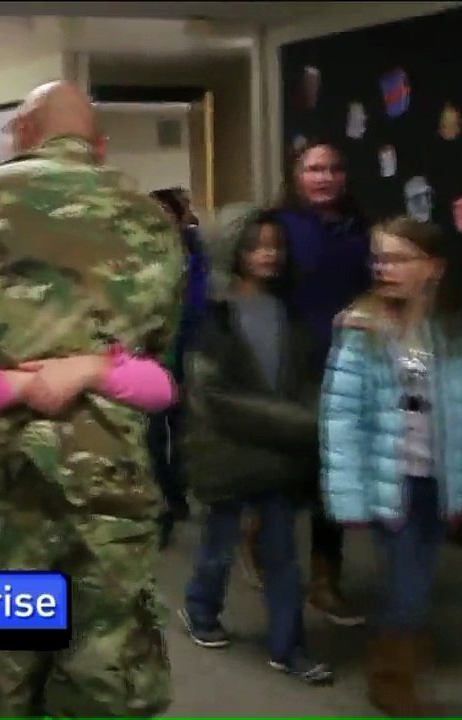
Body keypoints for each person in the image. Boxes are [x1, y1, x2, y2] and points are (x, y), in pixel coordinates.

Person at [0, 80, 185, 717]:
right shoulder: (151, 216)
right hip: (107, 487)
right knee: (104, 681)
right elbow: (158, 351)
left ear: (20, 134)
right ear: (97, 145)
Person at [320, 216, 462, 715]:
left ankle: (406, 652)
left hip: (439, 480)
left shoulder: (461, 335)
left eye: (398, 258)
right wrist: (348, 495)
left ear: (433, 267)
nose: (385, 269)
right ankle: (391, 678)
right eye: (380, 258)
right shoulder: (361, 330)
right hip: (392, 482)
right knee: (407, 581)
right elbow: (340, 419)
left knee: (419, 576)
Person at [179, 205, 332, 685]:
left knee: (283, 557)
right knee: (218, 549)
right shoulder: (211, 316)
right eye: (255, 245)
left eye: (275, 245)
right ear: (233, 249)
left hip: (279, 460)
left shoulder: (291, 314)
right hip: (228, 456)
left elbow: (304, 380)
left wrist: (302, 423)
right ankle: (200, 610)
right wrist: (302, 425)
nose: (267, 254)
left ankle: (289, 647)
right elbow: (215, 398)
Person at [242, 141, 371, 627]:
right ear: (296, 175)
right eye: (315, 168)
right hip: (289, 370)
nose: (325, 177)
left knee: (333, 482)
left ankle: (325, 580)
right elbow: (255, 293)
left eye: (334, 168)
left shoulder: (362, 229)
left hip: (348, 369)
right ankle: (256, 537)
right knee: (284, 471)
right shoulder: (276, 226)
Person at [0, 335, 176, 429]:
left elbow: (161, 389)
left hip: (91, 505)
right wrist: (17, 384)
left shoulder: (96, 325)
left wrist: (90, 369)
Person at [146, 187, 210, 546]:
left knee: (184, 429)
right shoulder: (137, 253)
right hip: (151, 358)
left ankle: (180, 490)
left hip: (187, 350)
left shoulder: (195, 252)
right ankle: (165, 503)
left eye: (166, 211)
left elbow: (200, 303)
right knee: (152, 436)